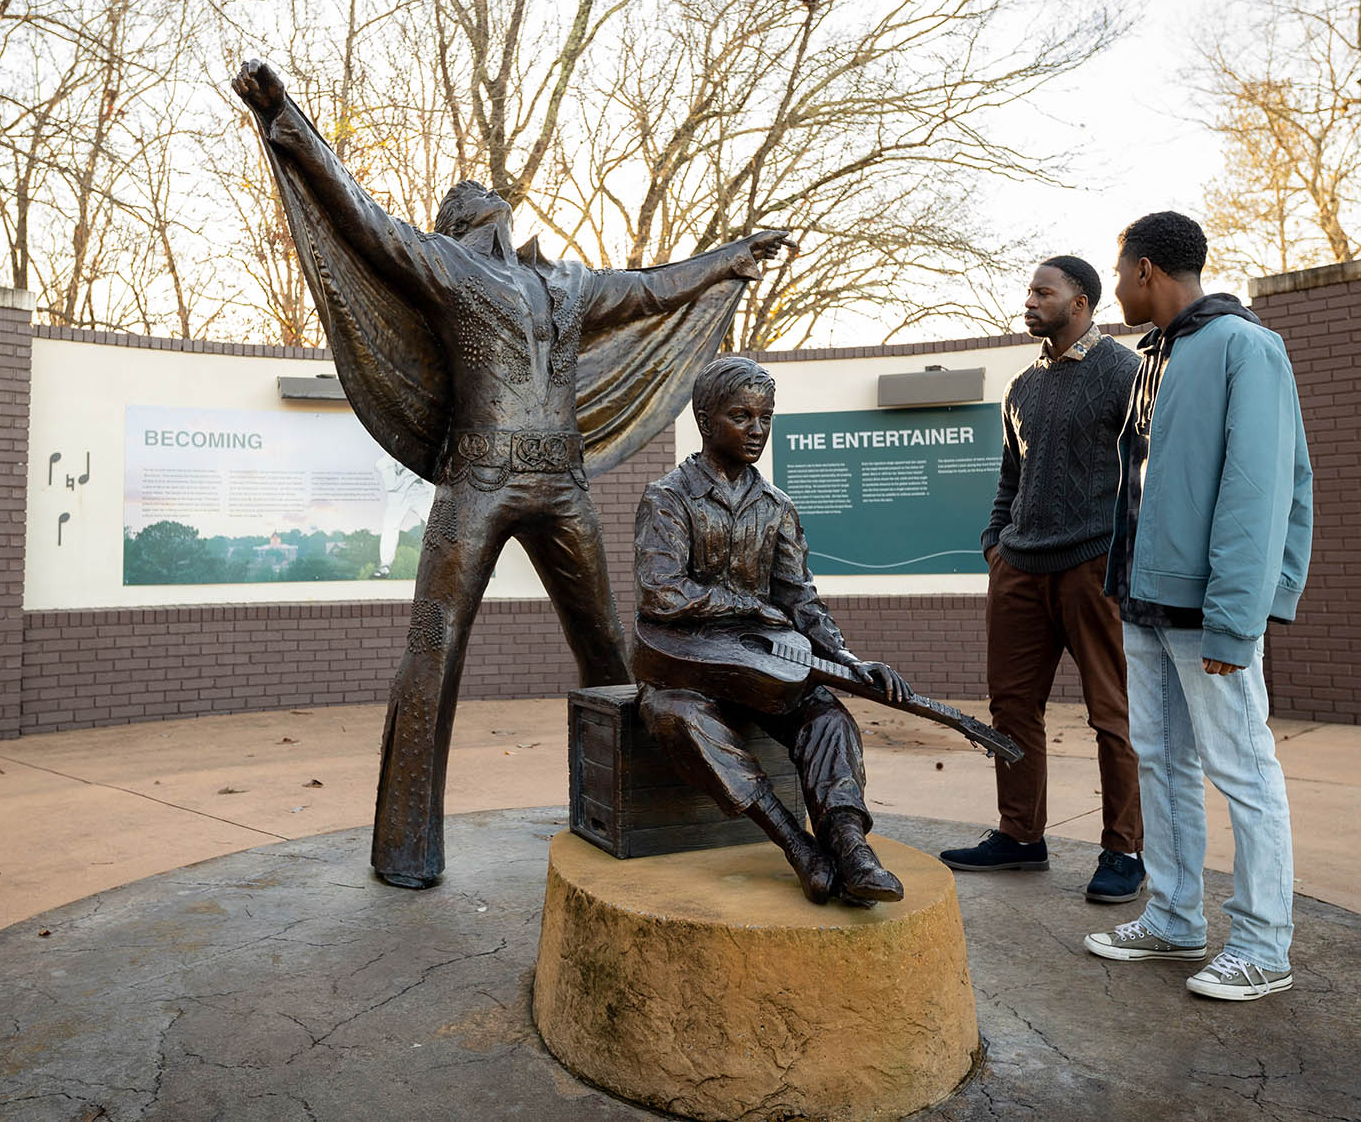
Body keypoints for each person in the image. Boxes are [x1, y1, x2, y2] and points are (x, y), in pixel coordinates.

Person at [232, 60, 789, 889]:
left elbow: (646, 288)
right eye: (470, 198)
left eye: (483, 194)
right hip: (478, 480)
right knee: (434, 646)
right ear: (464, 222)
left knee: (611, 649)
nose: (481, 197)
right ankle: (406, 845)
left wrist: (726, 258)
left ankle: (646, 808)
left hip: (562, 485)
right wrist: (286, 118)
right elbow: (358, 213)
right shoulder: (447, 267)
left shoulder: (567, 281)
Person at [1083, 211, 1312, 1002]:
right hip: (1142, 604)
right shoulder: (1158, 358)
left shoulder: (1246, 347)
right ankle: (1176, 917)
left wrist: (1235, 618)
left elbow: (1258, 492)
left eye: (1118, 273)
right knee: (1162, 761)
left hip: (1206, 613)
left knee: (1244, 771)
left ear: (1146, 269)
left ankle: (1262, 944)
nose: (1113, 289)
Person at [635, 356, 911, 905]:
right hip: (685, 671)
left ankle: (851, 848)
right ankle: (796, 844)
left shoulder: (777, 506)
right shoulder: (668, 498)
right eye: (742, 416)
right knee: (682, 718)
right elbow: (660, 591)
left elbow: (800, 600)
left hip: (763, 670)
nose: (757, 430)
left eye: (766, 417)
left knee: (829, 715)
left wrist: (850, 661)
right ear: (706, 419)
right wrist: (743, 604)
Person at [939, 256, 1144, 903]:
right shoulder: (1021, 385)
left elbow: (1148, 471)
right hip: (1020, 569)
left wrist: (1122, 554)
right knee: (1010, 708)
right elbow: (1009, 477)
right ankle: (1020, 834)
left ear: (1079, 302)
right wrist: (995, 545)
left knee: (1113, 714)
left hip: (1092, 569)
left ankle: (1124, 849)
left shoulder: (1124, 372)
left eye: (1041, 292)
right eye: (1029, 290)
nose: (1028, 300)